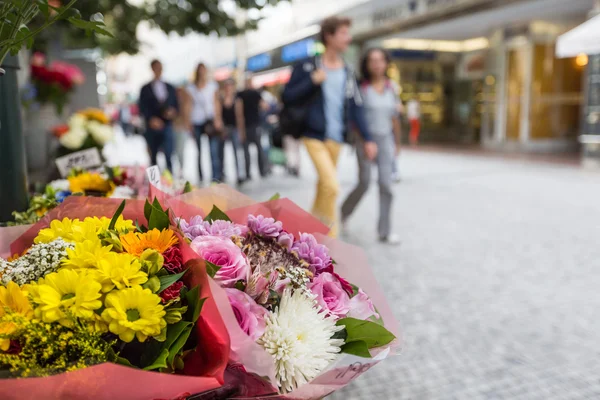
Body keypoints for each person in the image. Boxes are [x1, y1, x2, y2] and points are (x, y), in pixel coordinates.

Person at [282, 16, 377, 238]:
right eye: (343, 33)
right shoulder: (308, 65)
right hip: (313, 136)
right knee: (333, 187)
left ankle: (308, 231)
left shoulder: (348, 71)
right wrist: (311, 82)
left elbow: (356, 108)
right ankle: (330, 243)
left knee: (324, 187)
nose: (349, 38)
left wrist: (368, 138)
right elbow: (287, 96)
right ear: (329, 36)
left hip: (337, 139)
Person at [341, 48, 402, 244]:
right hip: (365, 139)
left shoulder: (391, 88)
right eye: (372, 60)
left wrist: (397, 143)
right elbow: (355, 118)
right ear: (366, 65)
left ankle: (385, 230)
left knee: (386, 184)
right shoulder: (362, 88)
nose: (376, 64)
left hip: (386, 141)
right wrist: (365, 141)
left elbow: (394, 118)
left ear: (386, 63)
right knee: (364, 182)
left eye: (380, 60)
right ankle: (343, 212)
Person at [139, 59, 178, 172]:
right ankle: (155, 182)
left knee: (169, 154)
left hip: (167, 124)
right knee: (153, 156)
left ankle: (170, 178)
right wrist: (151, 119)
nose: (158, 70)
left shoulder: (170, 87)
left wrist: (173, 112)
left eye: (160, 68)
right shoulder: (145, 88)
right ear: (152, 69)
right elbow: (142, 107)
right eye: (156, 68)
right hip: (152, 126)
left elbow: (176, 105)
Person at [187, 63, 220, 183]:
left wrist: (217, 119)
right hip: (196, 121)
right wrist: (188, 122)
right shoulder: (191, 88)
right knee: (199, 151)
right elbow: (188, 106)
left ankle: (215, 176)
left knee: (213, 150)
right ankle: (200, 175)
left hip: (209, 120)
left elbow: (216, 103)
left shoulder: (212, 86)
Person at [238, 75, 269, 180]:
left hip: (245, 126)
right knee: (259, 149)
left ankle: (248, 174)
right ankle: (262, 171)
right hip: (254, 125)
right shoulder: (256, 93)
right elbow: (265, 106)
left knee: (246, 151)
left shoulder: (240, 94)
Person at [217, 79, 245, 185]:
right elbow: (219, 114)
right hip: (224, 128)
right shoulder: (221, 99)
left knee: (237, 152)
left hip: (234, 128)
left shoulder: (237, 100)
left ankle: (239, 174)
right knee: (221, 153)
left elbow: (239, 117)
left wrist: (241, 131)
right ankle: (221, 174)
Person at [173, 85, 192, 178]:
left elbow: (187, 117)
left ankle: (181, 169)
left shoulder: (186, 103)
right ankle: (178, 168)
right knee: (176, 150)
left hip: (183, 129)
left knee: (181, 150)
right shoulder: (174, 103)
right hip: (176, 128)